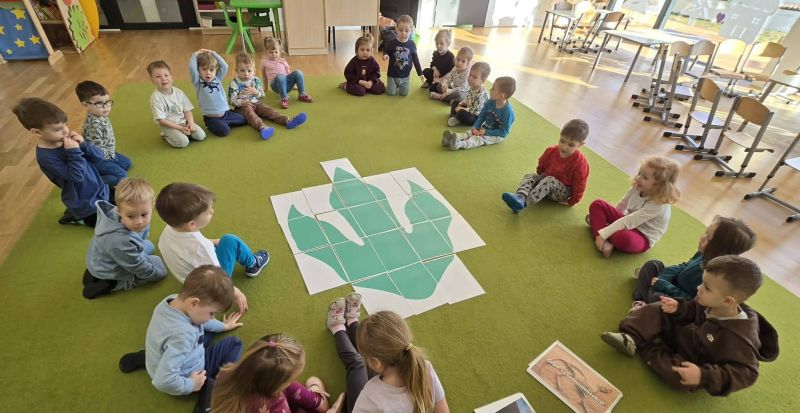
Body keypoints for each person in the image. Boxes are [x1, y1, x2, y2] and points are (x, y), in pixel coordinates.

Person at [601, 256, 779, 396]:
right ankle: (631, 336)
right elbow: (694, 309)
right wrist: (679, 308)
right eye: (702, 282)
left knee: (679, 377)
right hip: (688, 336)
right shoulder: (712, 300)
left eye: (706, 287)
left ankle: (648, 347)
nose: (698, 288)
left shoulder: (741, 338)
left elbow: (746, 373)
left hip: (695, 361)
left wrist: (703, 376)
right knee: (660, 307)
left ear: (728, 301)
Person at [119, 266, 245, 409]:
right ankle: (211, 391)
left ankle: (147, 357)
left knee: (205, 328)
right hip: (188, 375)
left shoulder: (171, 300)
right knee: (235, 344)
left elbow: (201, 322)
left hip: (157, 359)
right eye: (211, 313)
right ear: (193, 303)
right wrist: (192, 384)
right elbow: (162, 381)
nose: (212, 318)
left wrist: (223, 326)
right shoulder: (184, 336)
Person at [155, 182, 269, 313]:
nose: (212, 211)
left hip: (187, 280)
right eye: (209, 212)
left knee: (221, 243)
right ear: (192, 224)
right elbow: (217, 278)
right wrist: (235, 292)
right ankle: (254, 264)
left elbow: (189, 245)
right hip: (207, 285)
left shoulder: (169, 229)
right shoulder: (202, 248)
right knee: (230, 240)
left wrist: (211, 242)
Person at [326, 294, 450, 413]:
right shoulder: (425, 368)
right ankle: (352, 321)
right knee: (361, 360)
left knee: (357, 362)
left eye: (366, 357)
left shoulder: (370, 395)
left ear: (375, 363)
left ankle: (337, 328)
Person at [12, 97, 109, 227]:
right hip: (85, 203)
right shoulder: (46, 157)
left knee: (129, 203)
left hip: (100, 188)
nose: (66, 131)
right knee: (113, 224)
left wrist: (84, 144)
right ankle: (75, 217)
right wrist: (74, 152)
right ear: (37, 132)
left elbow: (99, 158)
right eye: (58, 129)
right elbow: (76, 176)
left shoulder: (67, 140)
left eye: (65, 124)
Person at [633, 216, 756, 305]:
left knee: (657, 297)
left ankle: (643, 298)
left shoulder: (714, 276)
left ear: (721, 250)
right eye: (705, 233)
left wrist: (664, 286)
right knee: (653, 265)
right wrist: (664, 277)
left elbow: (692, 301)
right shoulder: (704, 253)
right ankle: (645, 297)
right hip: (674, 283)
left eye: (708, 238)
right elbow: (684, 266)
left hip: (679, 298)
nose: (702, 237)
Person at [83, 178, 167, 299]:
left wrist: (138, 252)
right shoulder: (119, 241)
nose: (139, 222)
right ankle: (114, 284)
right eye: (131, 216)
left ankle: (97, 271)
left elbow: (139, 240)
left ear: (152, 206)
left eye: (144, 214)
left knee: (149, 246)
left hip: (104, 258)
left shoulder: (123, 213)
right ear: (119, 211)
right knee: (160, 269)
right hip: (109, 267)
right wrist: (153, 273)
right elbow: (136, 266)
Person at [211, 334, 336, 413]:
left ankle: (315, 403)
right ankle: (318, 403)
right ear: (276, 386)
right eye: (290, 379)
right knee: (293, 389)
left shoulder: (226, 373)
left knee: (289, 385)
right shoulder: (276, 403)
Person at [588, 155, 680, 257]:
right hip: (626, 222)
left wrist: (602, 234)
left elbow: (629, 221)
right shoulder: (638, 187)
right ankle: (602, 234)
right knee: (598, 204)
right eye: (640, 173)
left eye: (645, 178)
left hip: (642, 236)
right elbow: (623, 205)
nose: (638, 178)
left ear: (658, 186)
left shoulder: (658, 206)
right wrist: (609, 223)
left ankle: (599, 229)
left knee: (622, 238)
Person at [502, 119, 590, 213]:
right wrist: (539, 178)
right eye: (562, 141)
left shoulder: (580, 163)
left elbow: (580, 185)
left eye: (571, 145)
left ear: (580, 145)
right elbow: (541, 164)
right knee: (530, 175)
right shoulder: (551, 151)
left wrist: (572, 201)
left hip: (561, 191)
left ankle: (524, 203)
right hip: (544, 182)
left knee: (550, 180)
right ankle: (520, 196)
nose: (564, 147)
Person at [228, 52, 307, 140]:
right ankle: (262, 128)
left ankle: (288, 121)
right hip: (243, 107)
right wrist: (242, 102)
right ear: (236, 70)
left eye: (249, 71)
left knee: (269, 111)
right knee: (251, 115)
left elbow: (262, 95)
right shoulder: (234, 84)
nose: (246, 74)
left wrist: (256, 92)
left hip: (256, 102)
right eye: (242, 70)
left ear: (254, 71)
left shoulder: (256, 80)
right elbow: (231, 101)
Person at [75, 80, 131, 187]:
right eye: (99, 103)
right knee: (121, 175)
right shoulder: (94, 125)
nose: (106, 106)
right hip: (98, 158)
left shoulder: (99, 114)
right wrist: (109, 158)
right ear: (86, 105)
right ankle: (90, 181)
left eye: (107, 102)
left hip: (107, 152)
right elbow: (98, 151)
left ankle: (101, 171)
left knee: (127, 163)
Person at [441, 76, 516, 151]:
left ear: (501, 96)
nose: (490, 89)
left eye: (493, 89)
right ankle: (453, 138)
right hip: (485, 128)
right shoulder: (490, 102)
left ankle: (458, 144)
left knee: (478, 140)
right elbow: (482, 116)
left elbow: (503, 132)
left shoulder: (508, 112)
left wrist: (486, 132)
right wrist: (475, 127)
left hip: (497, 135)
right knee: (470, 132)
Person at [147, 60, 207, 148]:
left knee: (200, 136)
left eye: (166, 75)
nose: (163, 78)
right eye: (158, 76)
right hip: (169, 126)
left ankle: (182, 133)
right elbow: (162, 120)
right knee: (183, 143)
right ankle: (166, 135)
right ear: (152, 80)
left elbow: (187, 110)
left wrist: (191, 123)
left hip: (183, 122)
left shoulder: (178, 92)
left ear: (171, 78)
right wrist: (180, 129)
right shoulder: (156, 98)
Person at [190, 49, 247, 137]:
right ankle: (216, 124)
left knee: (244, 119)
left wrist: (213, 53)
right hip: (212, 118)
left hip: (226, 113)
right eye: (204, 69)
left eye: (211, 70)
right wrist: (195, 54)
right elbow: (191, 68)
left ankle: (226, 121)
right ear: (198, 70)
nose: (208, 73)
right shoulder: (197, 81)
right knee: (224, 131)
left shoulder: (217, 78)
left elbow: (225, 66)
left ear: (216, 70)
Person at [261, 37, 314, 109]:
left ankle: (302, 94)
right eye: (271, 52)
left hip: (286, 84)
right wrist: (265, 88)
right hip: (276, 85)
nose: (274, 54)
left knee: (298, 72)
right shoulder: (264, 62)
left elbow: (288, 74)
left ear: (279, 52)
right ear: (266, 52)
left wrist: (294, 85)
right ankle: (284, 98)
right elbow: (264, 76)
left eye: (276, 52)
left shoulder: (283, 61)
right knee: (280, 76)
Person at [382, 14, 423, 97]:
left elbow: (415, 59)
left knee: (404, 94)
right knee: (391, 93)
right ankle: (394, 85)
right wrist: (385, 54)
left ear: (411, 31)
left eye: (406, 31)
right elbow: (386, 50)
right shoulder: (392, 42)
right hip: (392, 75)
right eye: (401, 30)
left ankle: (399, 85)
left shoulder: (412, 44)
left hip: (405, 76)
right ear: (396, 29)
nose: (403, 33)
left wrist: (420, 73)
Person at [446, 61, 490, 127]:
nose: (470, 78)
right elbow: (468, 97)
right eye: (470, 75)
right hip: (470, 108)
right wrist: (463, 102)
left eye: (474, 77)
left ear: (483, 80)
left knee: (462, 114)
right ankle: (454, 116)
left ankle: (457, 117)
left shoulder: (481, 95)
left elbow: (476, 112)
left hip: (477, 116)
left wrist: (462, 109)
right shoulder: (473, 86)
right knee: (455, 102)